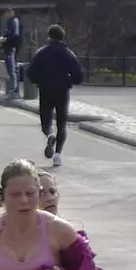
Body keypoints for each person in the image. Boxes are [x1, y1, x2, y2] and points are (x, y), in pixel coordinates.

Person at [25, 24, 84, 168]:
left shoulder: (42, 52)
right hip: (62, 91)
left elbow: (30, 72)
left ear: (49, 37)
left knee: (46, 120)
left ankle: (49, 134)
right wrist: (69, 80)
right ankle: (57, 155)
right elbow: (79, 76)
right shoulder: (68, 53)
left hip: (45, 89)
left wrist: (39, 80)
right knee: (62, 123)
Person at [0, 8, 24, 98]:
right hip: (8, 47)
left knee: (13, 69)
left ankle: (15, 91)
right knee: (10, 68)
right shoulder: (9, 22)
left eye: (7, 13)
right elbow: (8, 33)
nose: (6, 15)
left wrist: (6, 40)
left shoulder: (15, 21)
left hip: (13, 48)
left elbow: (16, 35)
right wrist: (3, 37)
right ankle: (13, 89)